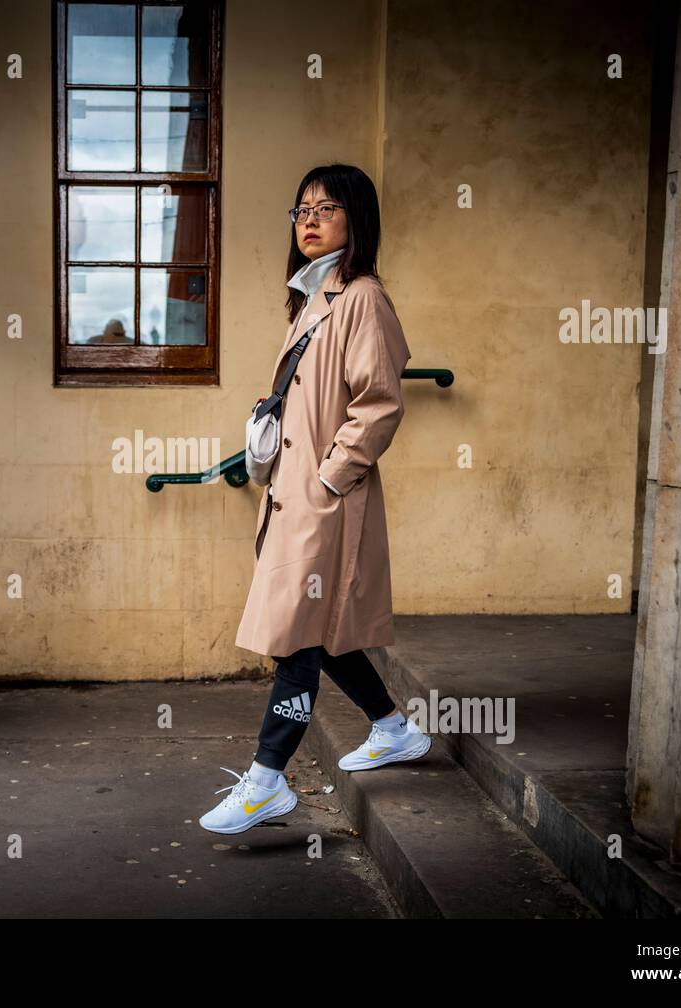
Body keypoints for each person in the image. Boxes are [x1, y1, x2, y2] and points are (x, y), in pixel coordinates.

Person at [200, 164, 431, 835]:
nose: (310, 219)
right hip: (298, 496)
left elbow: (381, 403)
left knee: (298, 639)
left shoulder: (361, 297)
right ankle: (393, 727)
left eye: (327, 208)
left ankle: (267, 779)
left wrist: (332, 476)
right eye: (302, 208)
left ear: (356, 221)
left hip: (325, 500)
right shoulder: (312, 296)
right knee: (322, 634)